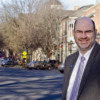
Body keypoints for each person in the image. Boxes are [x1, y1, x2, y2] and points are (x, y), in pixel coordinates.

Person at [62, 17, 100, 100]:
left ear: (95, 33)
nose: (83, 36)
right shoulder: (69, 60)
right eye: (79, 32)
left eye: (88, 31)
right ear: (73, 33)